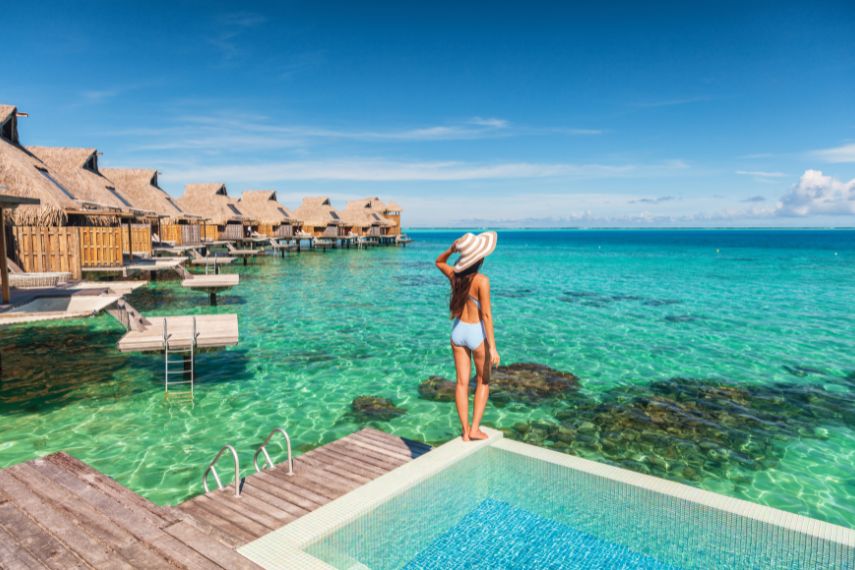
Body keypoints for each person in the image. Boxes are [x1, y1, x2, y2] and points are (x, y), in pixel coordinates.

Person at [435, 231, 499, 441]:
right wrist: (493, 347)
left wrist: (451, 250)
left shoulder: (455, 275)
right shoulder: (482, 281)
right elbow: (487, 316)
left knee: (462, 383)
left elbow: (438, 261)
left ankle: (464, 431)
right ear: (479, 258)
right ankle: (474, 429)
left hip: (458, 331)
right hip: (476, 333)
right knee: (483, 381)